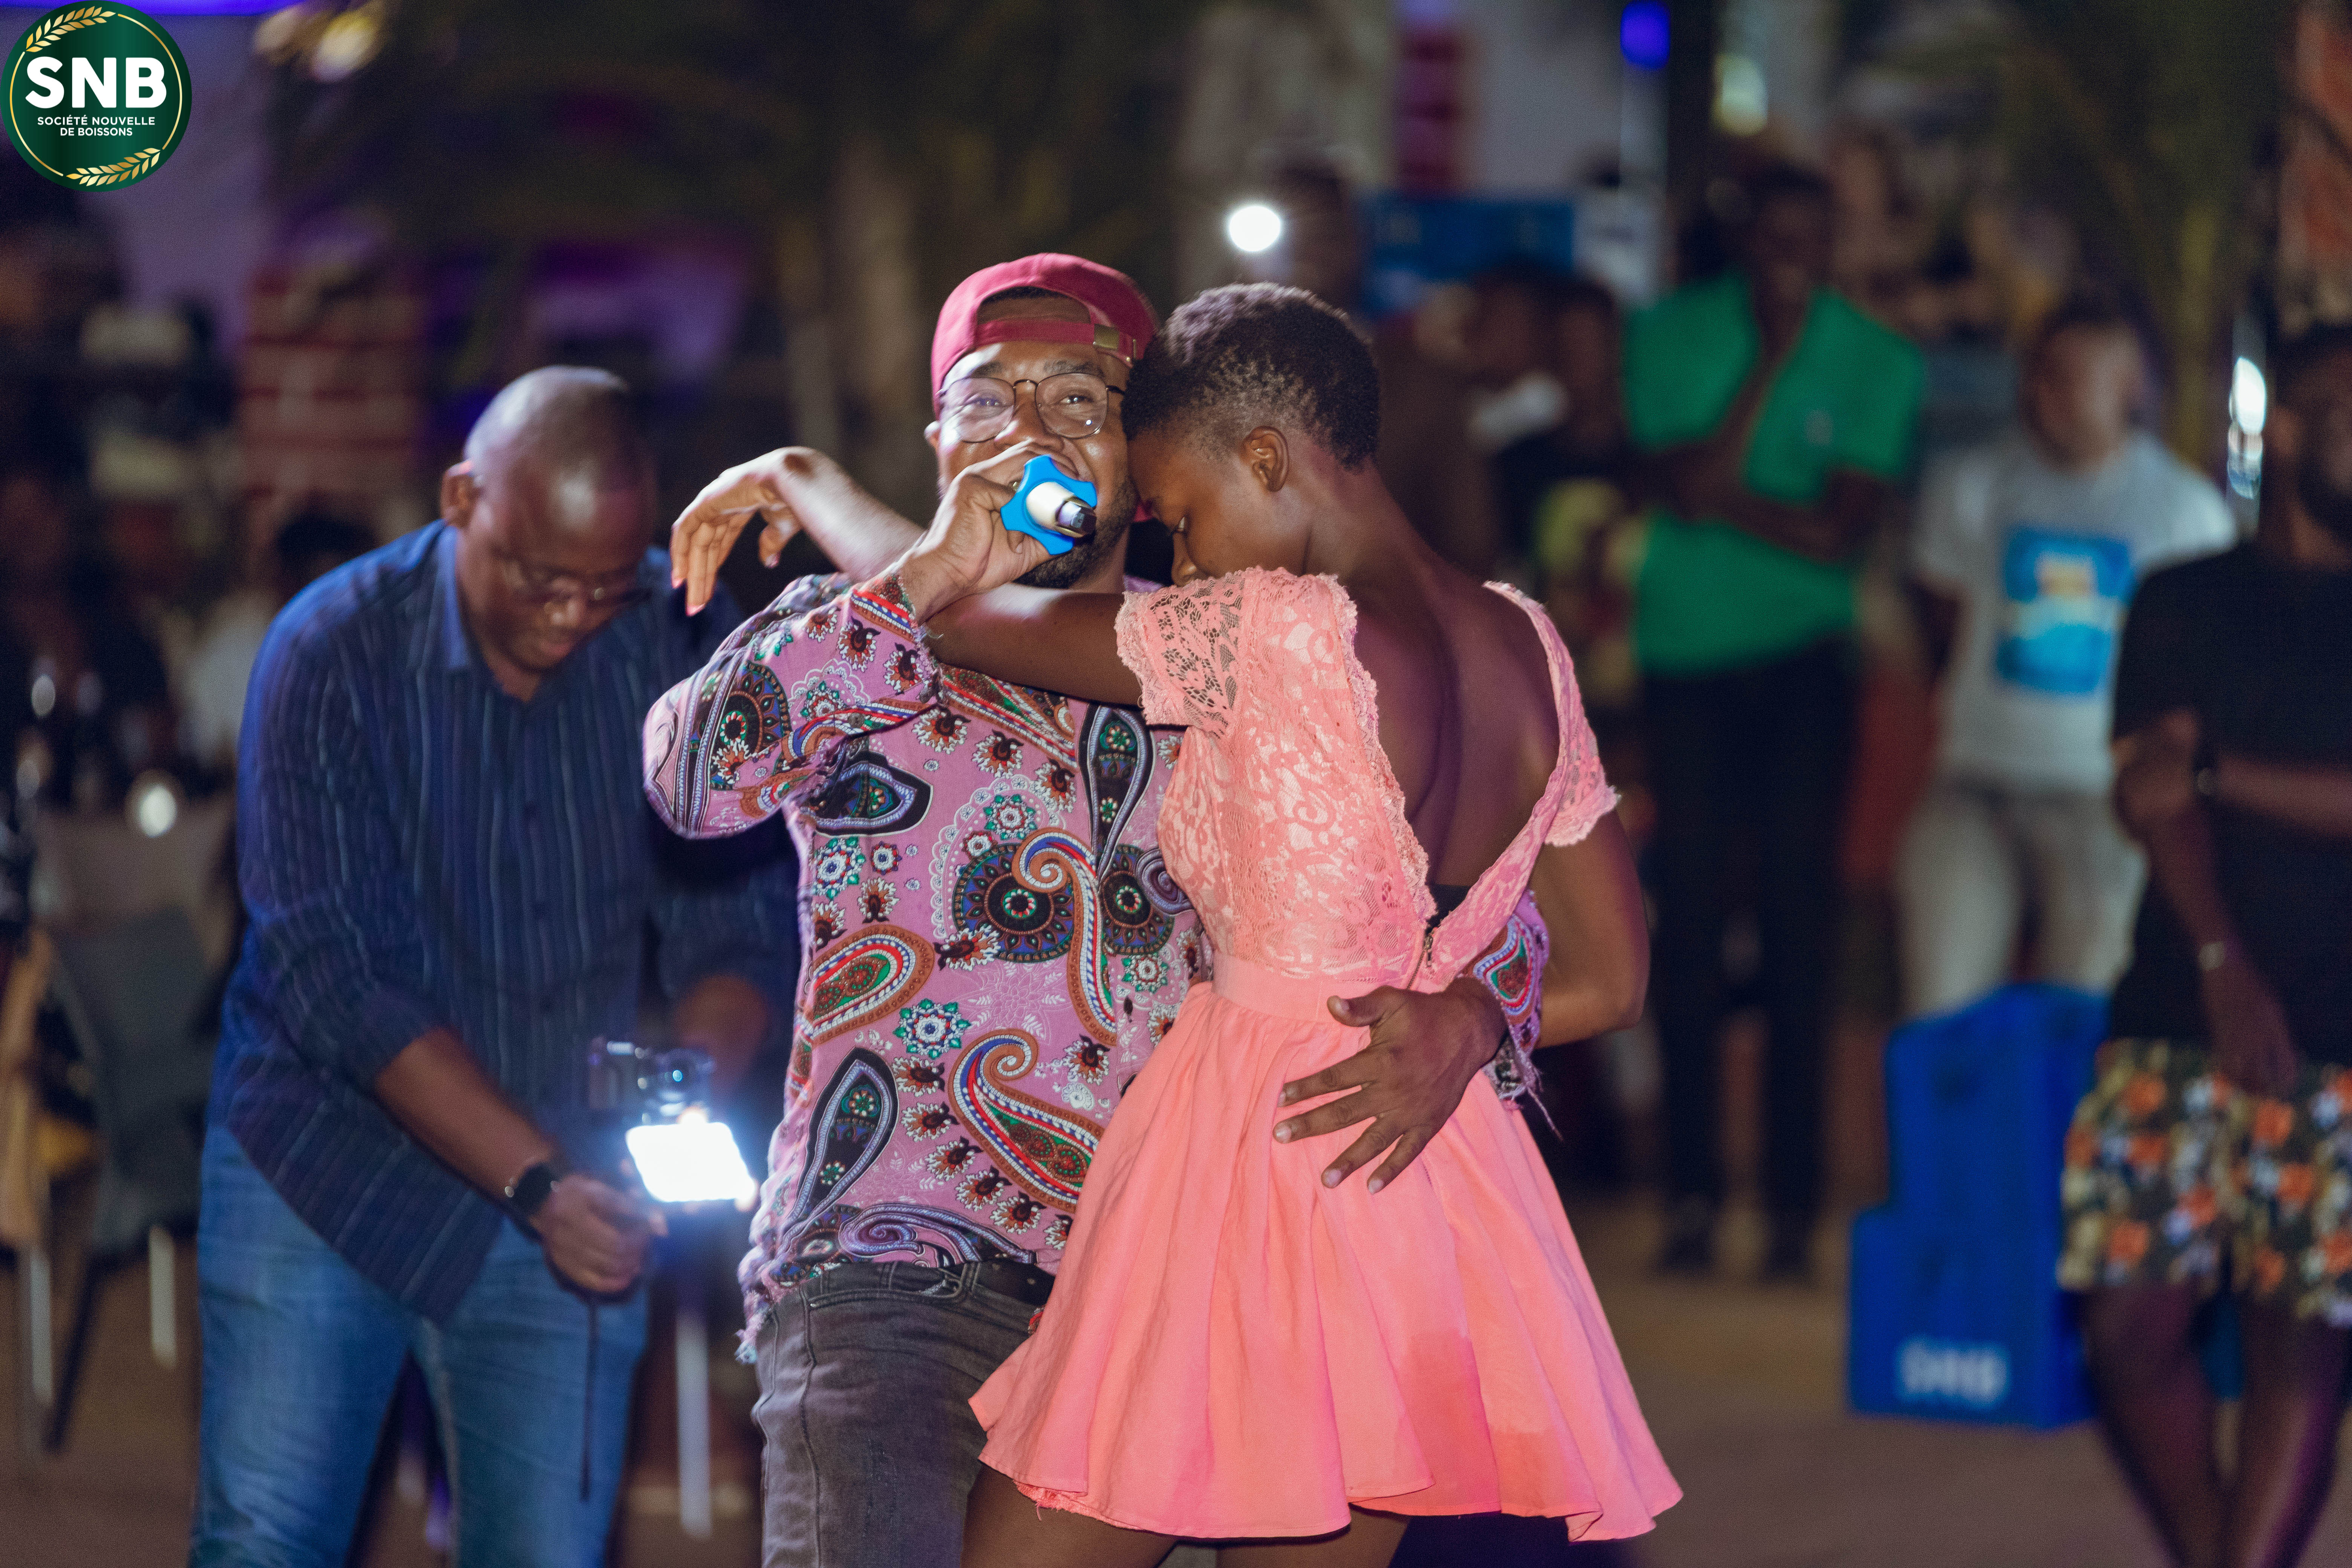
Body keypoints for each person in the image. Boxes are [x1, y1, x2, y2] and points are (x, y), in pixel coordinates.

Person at [649, 256, 1552, 1568]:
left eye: (1079, 397)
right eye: (986, 400)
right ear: (938, 441)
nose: (1027, 430)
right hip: (893, 1273)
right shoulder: (855, 629)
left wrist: (1473, 1015)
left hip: (1170, 1285)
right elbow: (690, 780)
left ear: (1144, 455)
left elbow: (1481, 904)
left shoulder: (1243, 646)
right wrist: (922, 576)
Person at [821, 282, 1675, 1563]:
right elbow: (1613, 980)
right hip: (1416, 1180)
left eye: (1183, 517)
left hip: (1245, 1163)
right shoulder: (1529, 641)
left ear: (1268, 460)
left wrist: (805, 482)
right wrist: (1475, 1017)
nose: (1186, 565)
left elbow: (947, 614)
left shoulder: (1275, 632)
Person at [191, 367, 795, 1568]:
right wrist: (538, 1185)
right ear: (462, 499)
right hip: (322, 1167)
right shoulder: (330, 649)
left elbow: (741, 925)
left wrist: (679, 1089)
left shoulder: (676, 639)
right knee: (266, 1542)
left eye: (603, 584)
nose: (571, 613)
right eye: (537, 576)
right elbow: (337, 980)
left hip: (571, 1177)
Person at [2059, 323, 2352, 1568]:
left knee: (2302, 1333)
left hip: (2343, 1029)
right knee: (2124, 1327)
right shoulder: (2186, 598)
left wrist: (2222, 773)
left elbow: (2194, 777)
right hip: (2178, 1001)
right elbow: (2149, 793)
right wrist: (2225, 967)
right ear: (2285, 426)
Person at [1622, 163, 1925, 1280]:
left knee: (1802, 926)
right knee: (1690, 928)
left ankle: (1795, 1214)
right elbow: (1674, 483)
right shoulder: (1669, 332)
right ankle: (1693, 1202)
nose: (1795, 254)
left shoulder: (1882, 359)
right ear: (1746, 236)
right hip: (1686, 659)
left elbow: (1839, 535)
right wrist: (1767, 370)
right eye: (1777, 234)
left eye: (1814, 235)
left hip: (1806, 667)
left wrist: (1721, 495)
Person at [1898, 295, 2235, 1019]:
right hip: (1975, 780)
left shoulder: (2184, 512)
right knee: (1942, 1010)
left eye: (2070, 378)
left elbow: (2201, 671)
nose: (2045, 396)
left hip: (2098, 799)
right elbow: (1937, 619)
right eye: (2038, 374)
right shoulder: (1971, 484)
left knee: (2081, 1013)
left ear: (2127, 386)